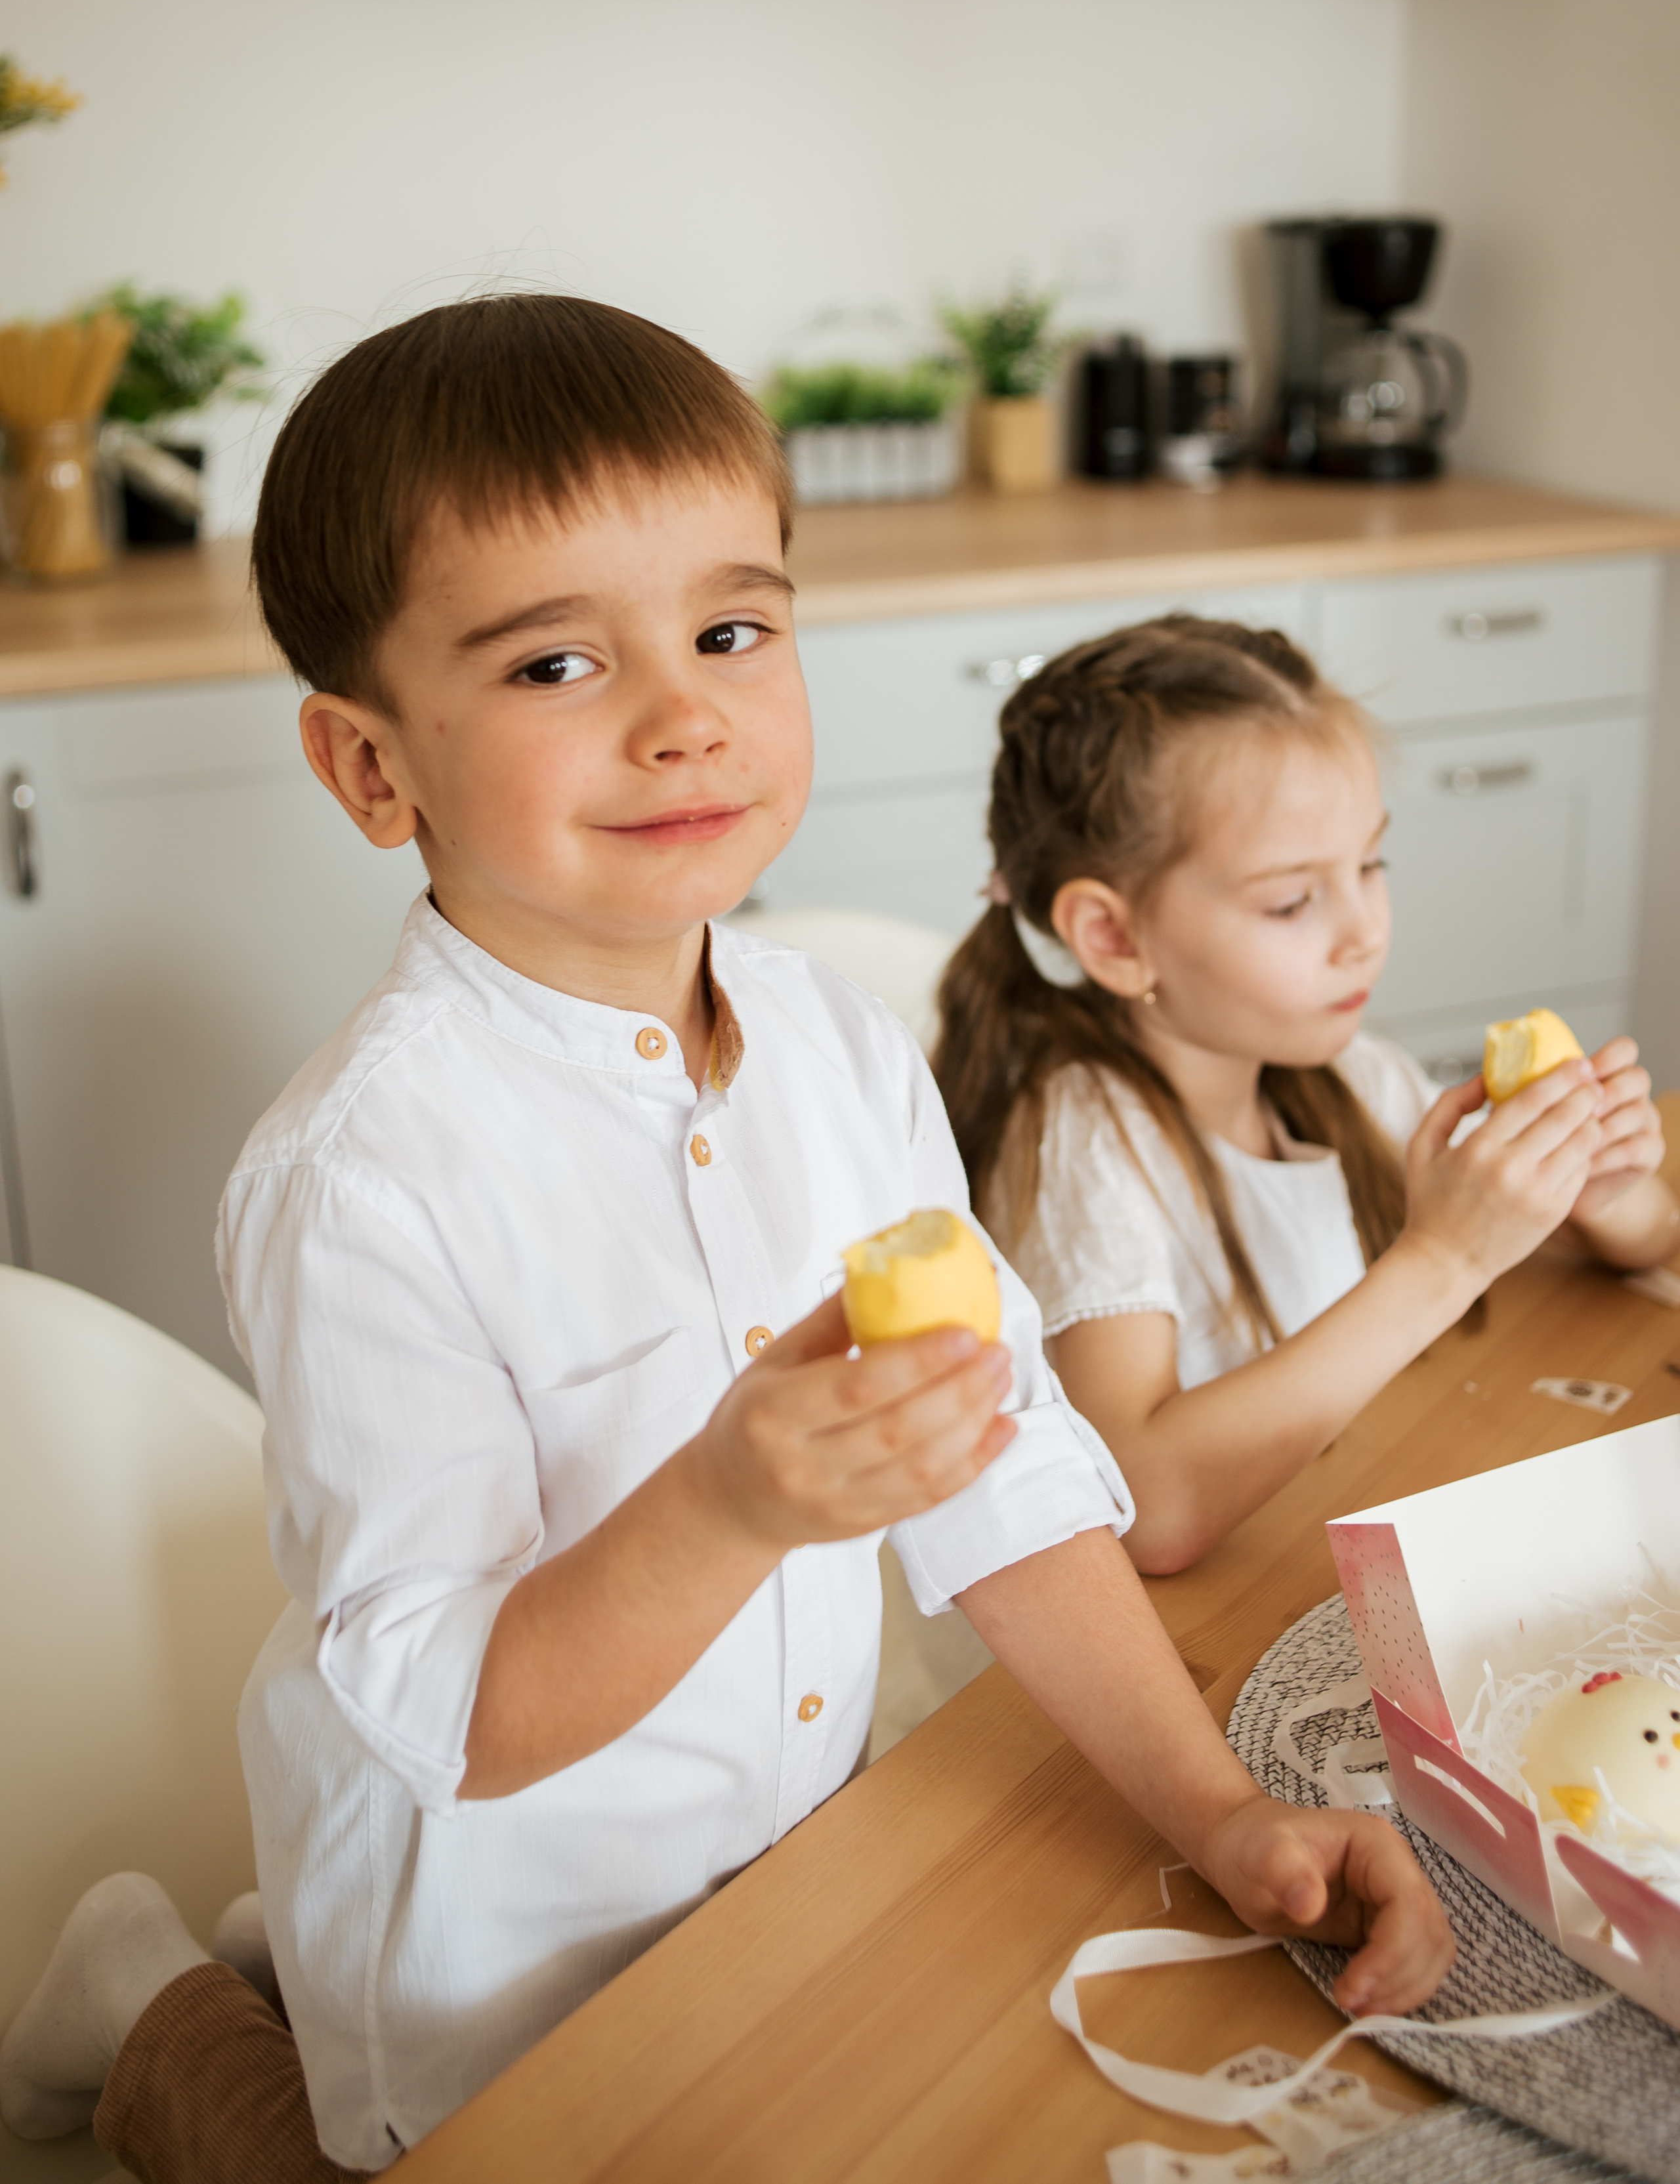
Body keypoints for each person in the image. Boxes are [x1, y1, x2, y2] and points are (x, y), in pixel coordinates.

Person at [2, 303, 1453, 2183]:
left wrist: (1224, 1808)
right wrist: (727, 1510)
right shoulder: (357, 1178)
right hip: (486, 1971)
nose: (682, 712)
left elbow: (999, 1462)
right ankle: (147, 1999)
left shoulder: (841, 1050)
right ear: (374, 771)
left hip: (780, 1864)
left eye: (732, 629)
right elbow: (453, 1713)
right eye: (552, 664)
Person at [935, 615, 1675, 1578]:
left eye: (1370, 864)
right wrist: (1446, 1255)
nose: (1364, 929)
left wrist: (1608, 1195)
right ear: (1114, 938)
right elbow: (1143, 1505)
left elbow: (1628, 1252)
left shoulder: (1347, 1073)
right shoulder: (1079, 1138)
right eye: (1292, 902)